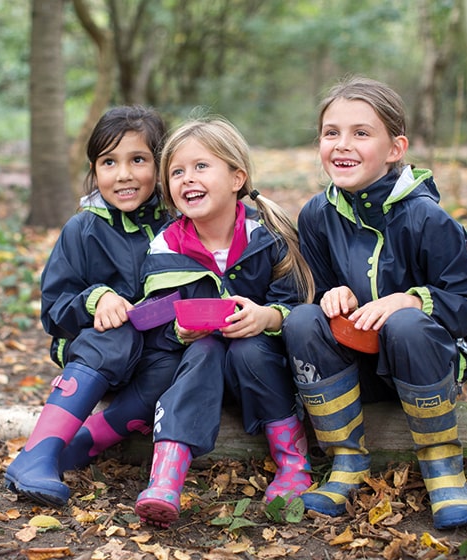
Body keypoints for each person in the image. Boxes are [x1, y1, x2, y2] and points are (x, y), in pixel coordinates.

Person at [282, 76, 467, 530]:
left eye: (361, 133)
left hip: (426, 367)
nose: (342, 145)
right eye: (331, 133)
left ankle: (442, 467)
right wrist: (331, 294)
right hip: (356, 375)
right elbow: (316, 293)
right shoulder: (317, 214)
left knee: (406, 325)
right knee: (302, 318)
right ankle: (347, 461)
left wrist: (410, 300)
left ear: (395, 148)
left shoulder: (427, 217)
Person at [131, 116, 317, 528]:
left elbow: (297, 305)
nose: (187, 179)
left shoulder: (264, 235)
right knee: (204, 347)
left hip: (263, 370)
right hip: (198, 372)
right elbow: (156, 315)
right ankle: (166, 476)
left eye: (201, 167)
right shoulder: (166, 245)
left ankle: (292, 462)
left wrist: (265, 316)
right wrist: (179, 330)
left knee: (248, 347)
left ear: (237, 177)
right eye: (176, 172)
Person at [4, 105, 177, 507]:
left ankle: (85, 441)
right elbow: (54, 308)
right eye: (109, 162)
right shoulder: (83, 229)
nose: (124, 175)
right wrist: (95, 299)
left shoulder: (178, 223)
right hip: (94, 350)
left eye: (138, 160)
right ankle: (37, 454)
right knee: (117, 332)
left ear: (162, 163)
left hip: (155, 353)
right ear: (94, 169)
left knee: (174, 364)